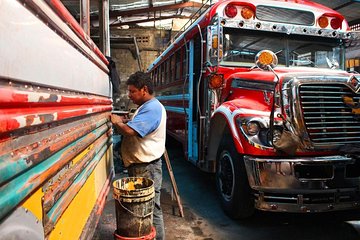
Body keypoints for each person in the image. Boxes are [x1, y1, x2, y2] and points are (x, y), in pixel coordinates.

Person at [110, 71, 166, 240]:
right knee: (143, 209)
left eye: (132, 91)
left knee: (151, 209)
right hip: (142, 166)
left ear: (144, 89)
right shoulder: (146, 107)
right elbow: (136, 124)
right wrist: (127, 120)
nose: (129, 95)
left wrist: (117, 122)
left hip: (146, 167)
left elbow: (131, 131)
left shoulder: (152, 108)